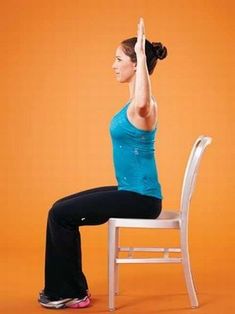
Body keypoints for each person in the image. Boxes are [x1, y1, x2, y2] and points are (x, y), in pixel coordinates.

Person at [38, 17, 167, 309]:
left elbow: (143, 102)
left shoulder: (145, 107)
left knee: (60, 214)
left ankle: (70, 293)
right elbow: (138, 97)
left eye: (118, 58)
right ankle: (69, 289)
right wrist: (141, 59)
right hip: (130, 192)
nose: (113, 64)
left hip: (142, 199)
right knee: (59, 208)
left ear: (135, 66)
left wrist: (143, 58)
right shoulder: (131, 102)